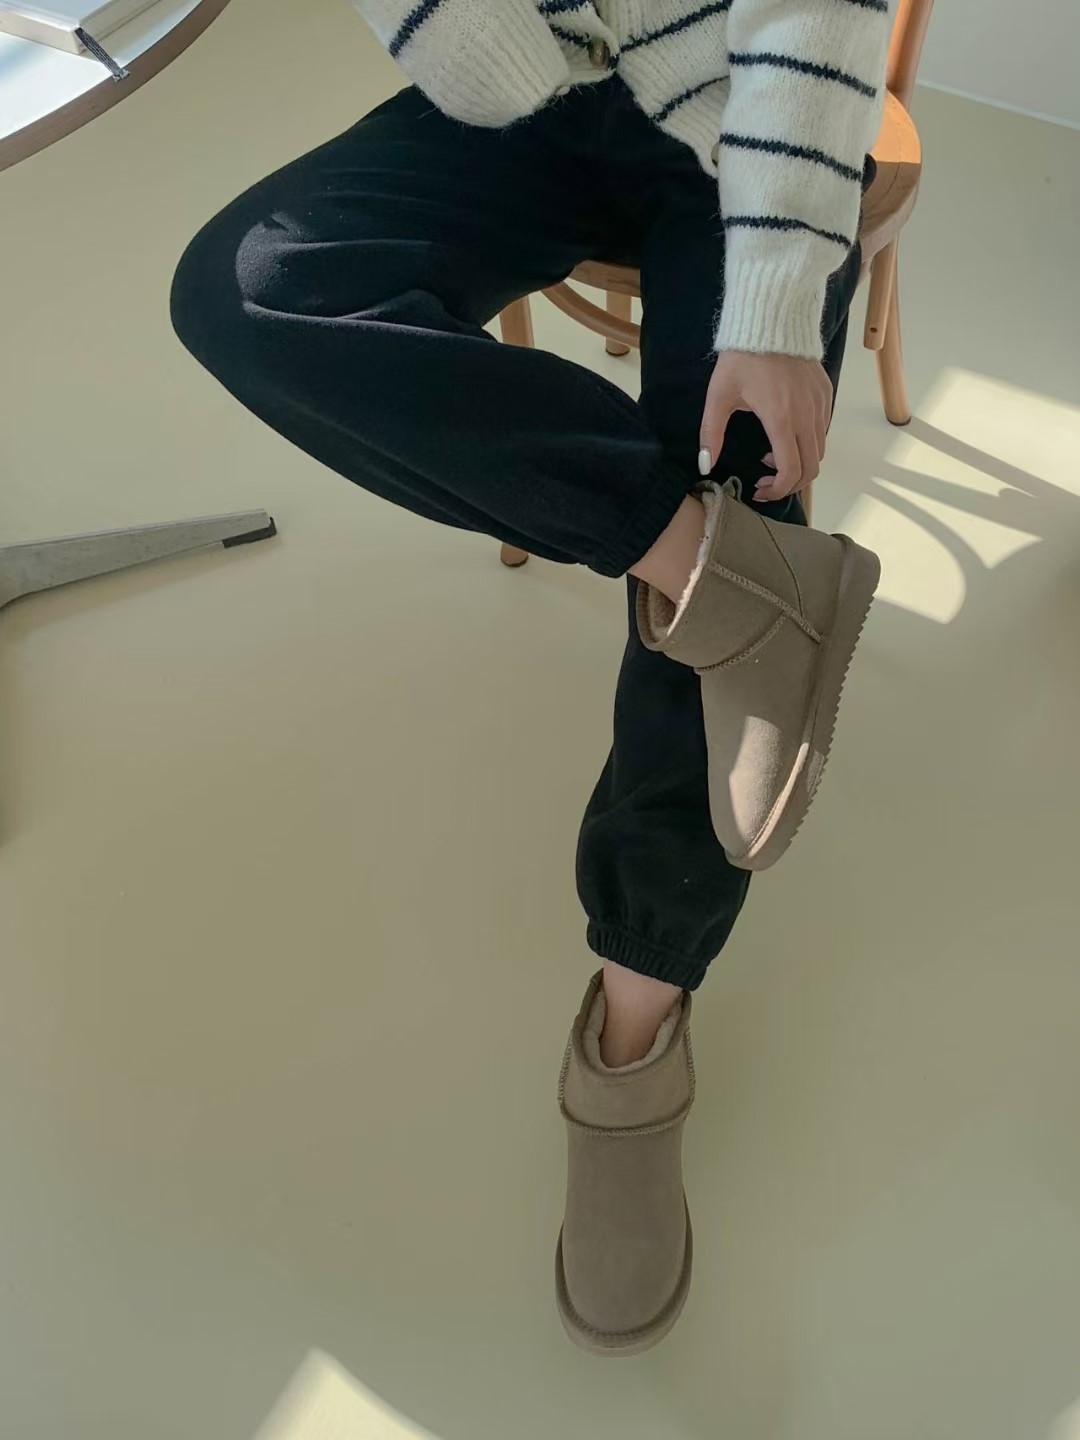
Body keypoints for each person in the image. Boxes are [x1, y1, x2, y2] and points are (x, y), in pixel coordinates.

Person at [171, 0, 890, 1356]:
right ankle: (717, 569)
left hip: (757, 96)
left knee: (739, 457)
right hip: (545, 95)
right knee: (246, 288)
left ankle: (634, 1026)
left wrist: (777, 300)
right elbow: (488, 65)